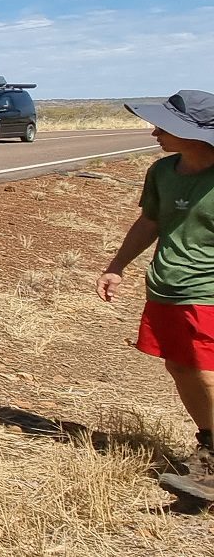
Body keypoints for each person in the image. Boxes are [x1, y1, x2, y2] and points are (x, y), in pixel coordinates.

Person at [97, 90, 214, 501]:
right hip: (165, 287)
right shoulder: (163, 171)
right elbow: (150, 222)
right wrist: (117, 266)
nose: (154, 132)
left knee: (203, 369)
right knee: (181, 368)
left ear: (193, 134)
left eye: (164, 127)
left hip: (208, 292)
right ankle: (209, 446)